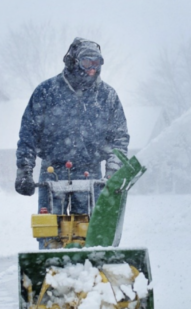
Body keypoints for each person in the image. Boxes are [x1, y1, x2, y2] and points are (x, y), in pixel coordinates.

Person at [15, 37, 130, 247]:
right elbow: (28, 134)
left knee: (91, 233)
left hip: (91, 173)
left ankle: (88, 272)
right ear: (72, 61)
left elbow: (119, 138)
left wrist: (113, 171)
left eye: (97, 64)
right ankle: (50, 267)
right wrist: (24, 170)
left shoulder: (107, 96)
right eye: (87, 62)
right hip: (52, 171)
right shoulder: (47, 92)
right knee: (50, 232)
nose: (93, 69)